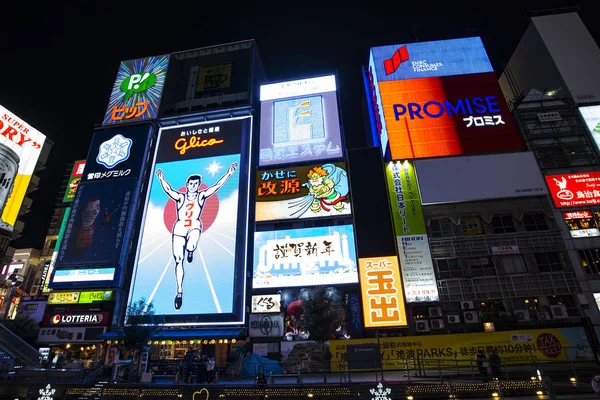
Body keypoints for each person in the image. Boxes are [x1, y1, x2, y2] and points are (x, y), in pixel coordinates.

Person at [155, 162, 238, 310]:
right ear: (187, 184)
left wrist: (229, 173)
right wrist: (161, 178)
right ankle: (179, 292)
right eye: (191, 183)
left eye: (196, 184)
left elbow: (217, 186)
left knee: (191, 245)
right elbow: (169, 190)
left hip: (194, 225)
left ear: (199, 185)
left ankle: (191, 250)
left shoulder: (201, 196)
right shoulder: (181, 197)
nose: (193, 186)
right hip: (179, 228)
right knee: (178, 260)